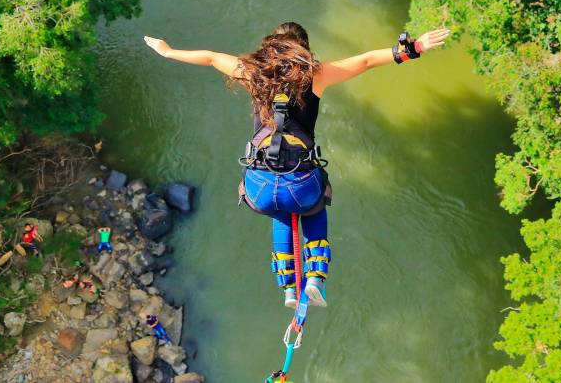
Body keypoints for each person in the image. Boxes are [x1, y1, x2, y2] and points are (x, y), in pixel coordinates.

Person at [144, 23, 449, 308]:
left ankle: (289, 286)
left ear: (270, 47)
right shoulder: (315, 74)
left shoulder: (252, 72)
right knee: (314, 205)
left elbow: (210, 58)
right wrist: (414, 48)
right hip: (302, 185)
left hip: (259, 187)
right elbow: (367, 61)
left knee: (279, 208)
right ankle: (315, 279)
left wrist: (168, 51)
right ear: (303, 49)